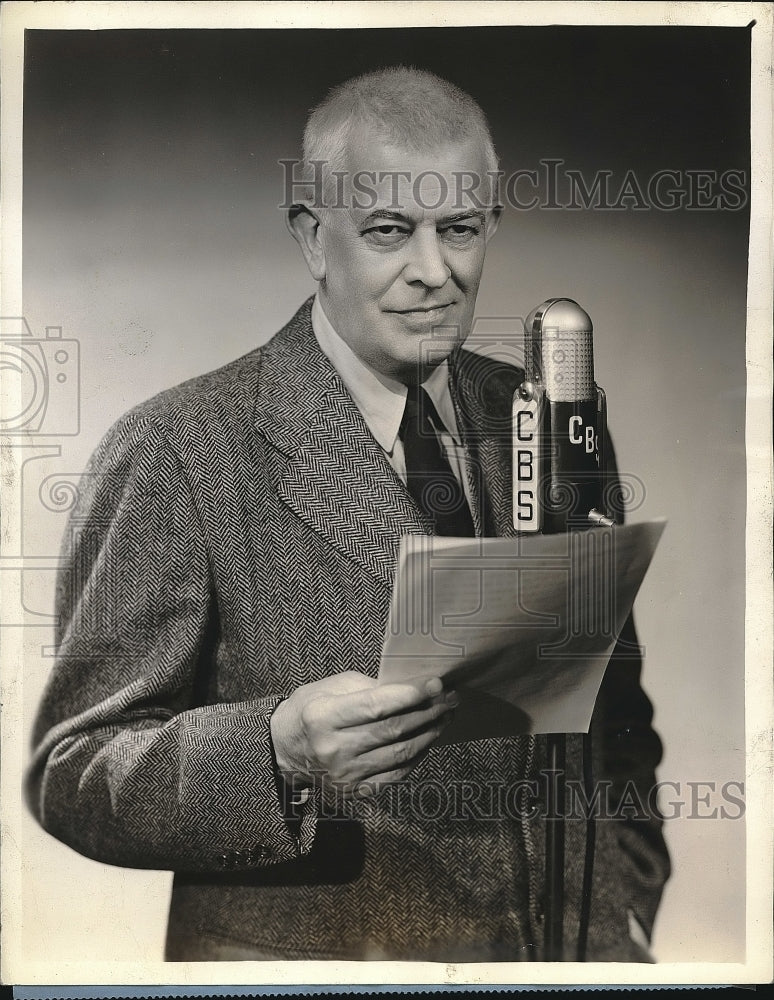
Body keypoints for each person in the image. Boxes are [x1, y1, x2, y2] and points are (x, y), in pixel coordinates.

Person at [26, 66, 669, 962]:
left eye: (460, 229)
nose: (434, 273)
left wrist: (625, 910)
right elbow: (74, 775)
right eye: (388, 232)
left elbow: (618, 717)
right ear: (311, 237)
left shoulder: (553, 413)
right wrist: (274, 752)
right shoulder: (176, 447)